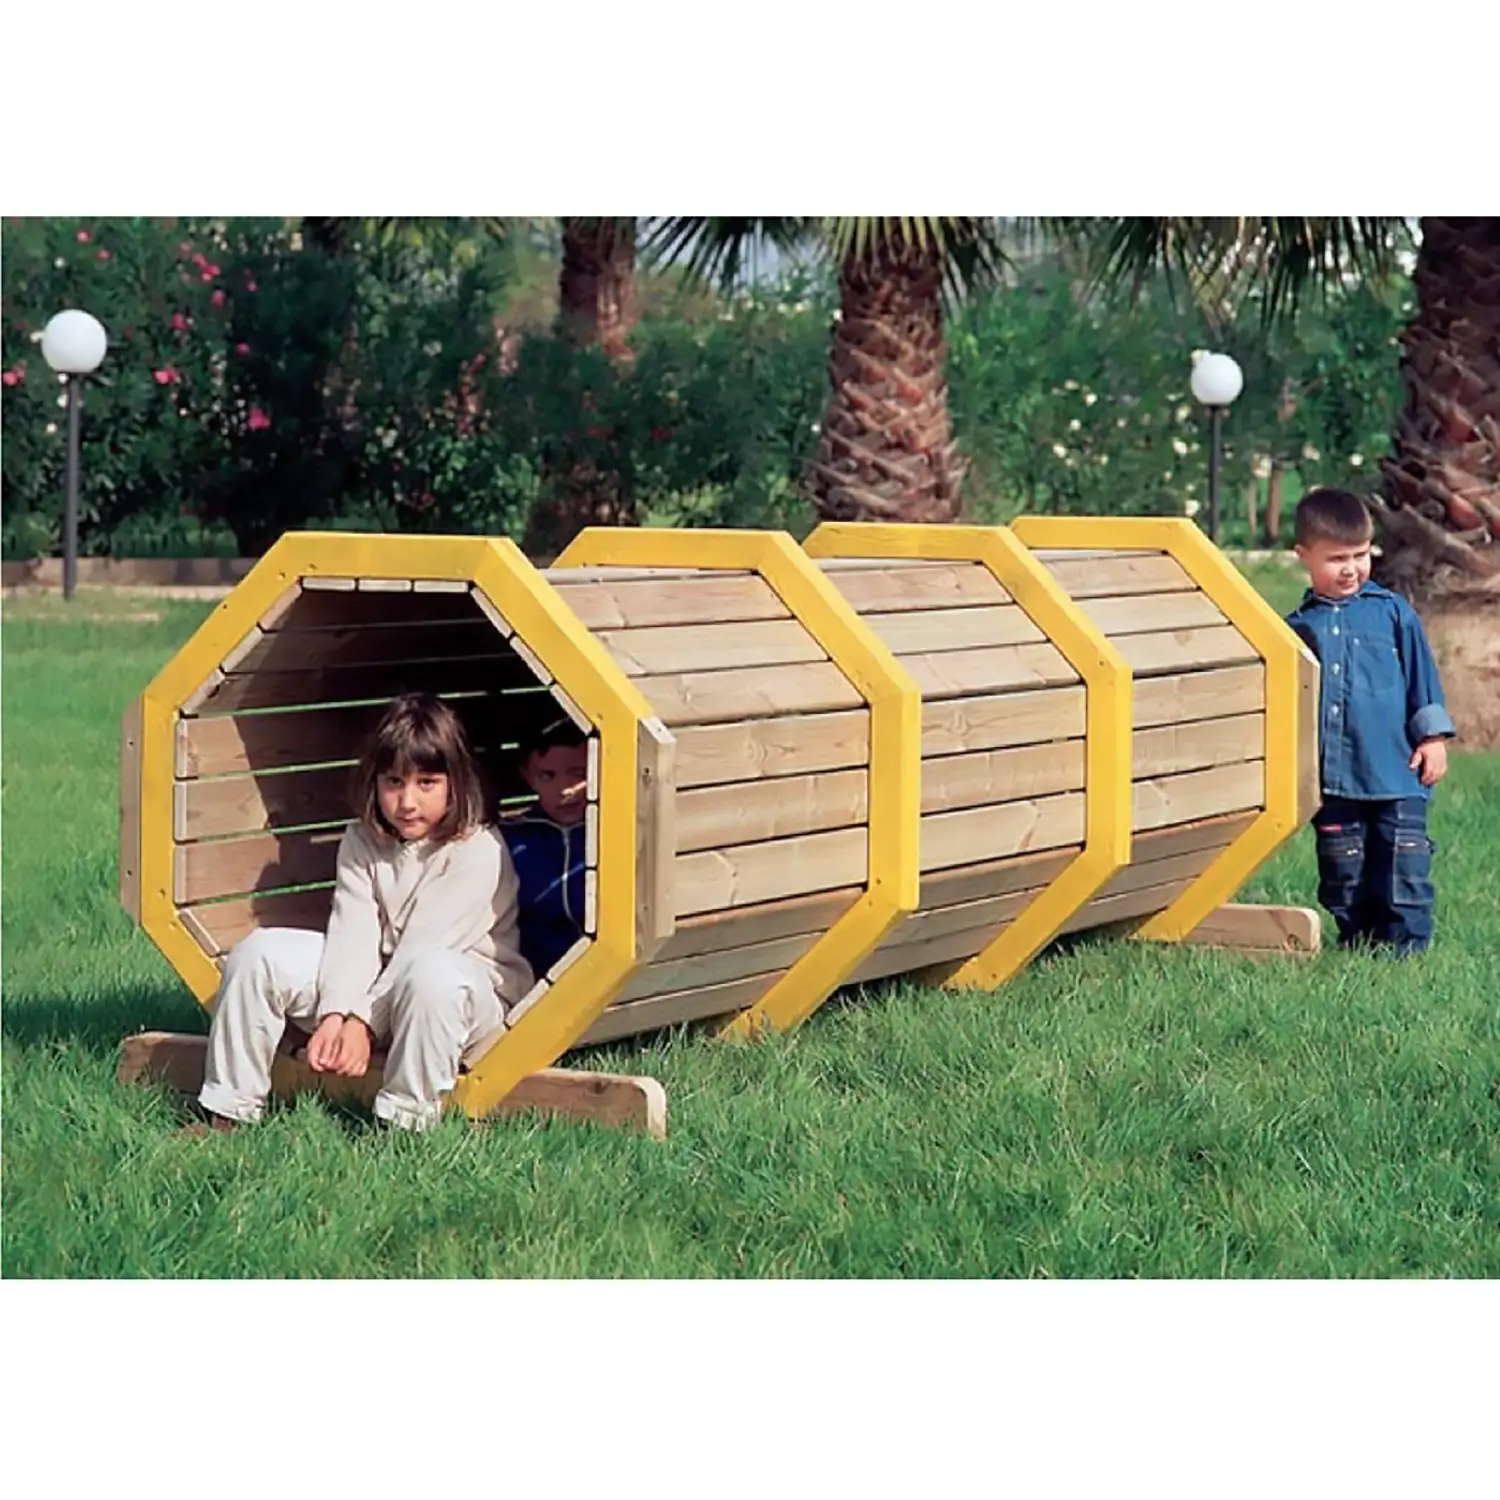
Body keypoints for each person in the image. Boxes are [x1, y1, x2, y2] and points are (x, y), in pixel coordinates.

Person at [196, 692, 534, 1131]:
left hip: (460, 1000)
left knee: (431, 975)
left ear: (455, 783)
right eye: (393, 782)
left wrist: (361, 1024)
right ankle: (229, 1110)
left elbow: (420, 950)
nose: (407, 801)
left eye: (426, 783)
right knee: (259, 954)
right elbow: (352, 934)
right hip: (379, 982)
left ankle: (405, 1123)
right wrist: (334, 1014)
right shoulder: (361, 839)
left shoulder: (477, 850)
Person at [1285, 487, 1456, 956]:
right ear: (1303, 555)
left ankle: (1406, 949)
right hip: (1334, 778)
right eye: (1337, 558)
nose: (1351, 568)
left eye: (1360, 555)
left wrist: (1433, 738)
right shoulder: (1297, 628)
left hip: (1396, 771)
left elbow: (1422, 678)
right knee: (1343, 871)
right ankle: (1358, 944)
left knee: (1404, 867)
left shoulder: (1393, 613)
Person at [500, 714, 590, 977]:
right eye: (548, 776)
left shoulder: (614, 832)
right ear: (528, 777)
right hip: (530, 975)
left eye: (579, 774)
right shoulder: (512, 836)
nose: (565, 789)